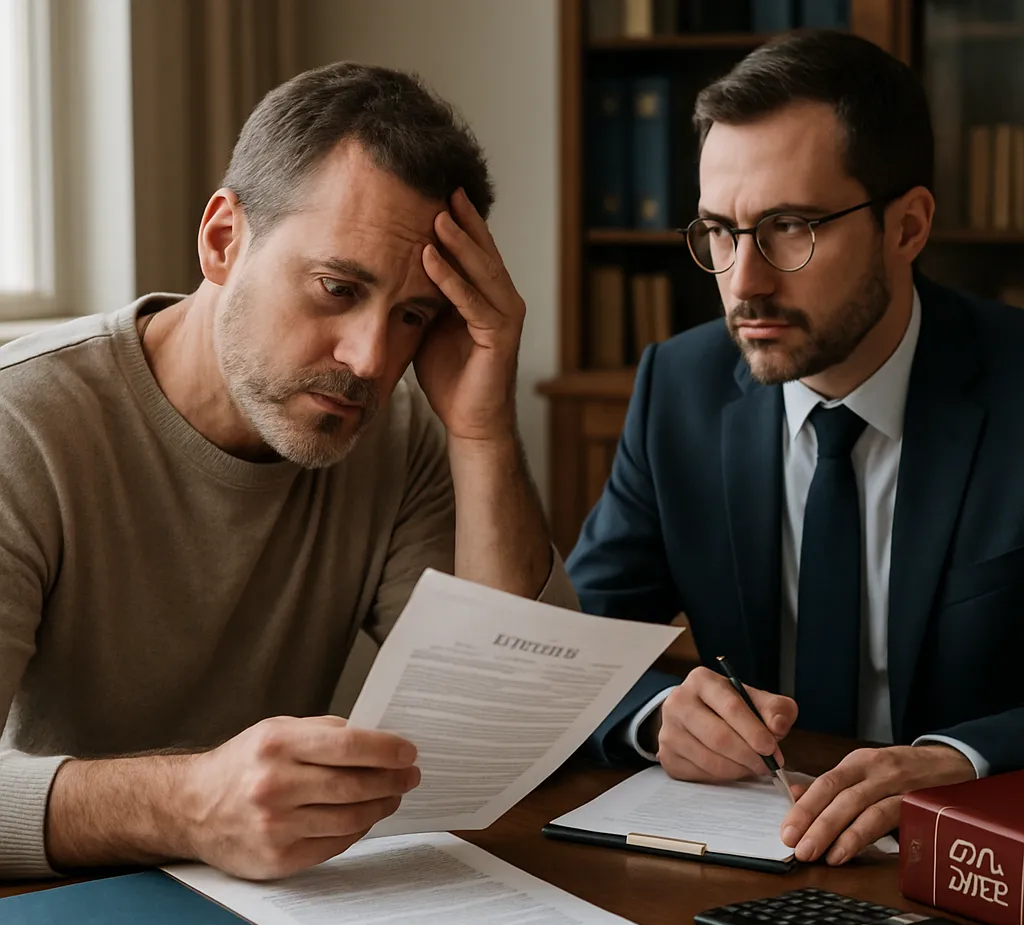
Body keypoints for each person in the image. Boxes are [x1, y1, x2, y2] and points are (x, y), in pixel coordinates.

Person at [0, 62, 576, 881]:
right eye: (338, 288)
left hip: (290, 909)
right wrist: (186, 802)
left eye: (413, 315)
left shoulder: (401, 434)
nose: (370, 361)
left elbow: (513, 726)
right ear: (223, 241)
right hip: (59, 914)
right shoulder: (21, 422)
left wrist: (481, 431)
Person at [570, 30, 1024, 866]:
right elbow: (576, 642)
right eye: (719, 232)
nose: (743, 281)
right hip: (742, 850)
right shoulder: (678, 387)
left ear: (909, 226)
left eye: (789, 227)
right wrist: (657, 714)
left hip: (964, 862)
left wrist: (960, 758)